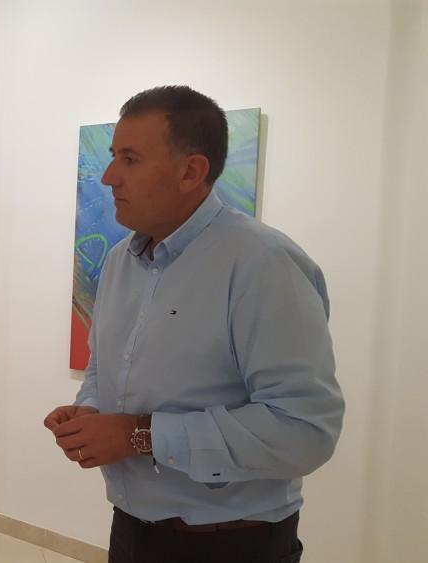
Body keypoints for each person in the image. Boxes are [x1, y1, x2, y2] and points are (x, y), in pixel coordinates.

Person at [44, 86, 344, 563]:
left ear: (190, 171)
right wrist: (90, 413)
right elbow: (102, 369)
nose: (108, 177)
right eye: (113, 156)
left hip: (232, 544)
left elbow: (304, 430)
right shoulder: (121, 261)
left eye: (130, 159)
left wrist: (138, 435)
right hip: (131, 530)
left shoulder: (263, 263)